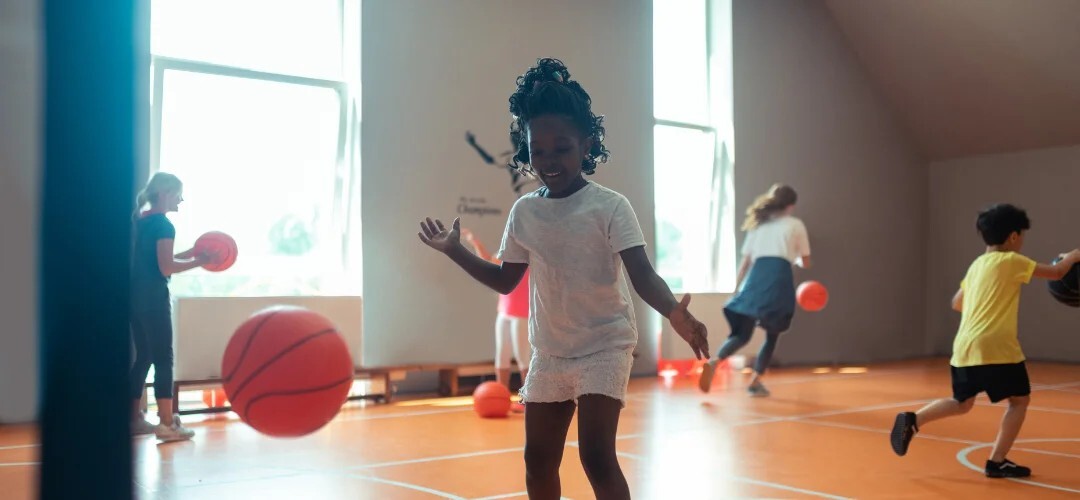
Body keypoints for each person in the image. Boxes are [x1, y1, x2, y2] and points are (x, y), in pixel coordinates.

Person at [418, 58, 708, 499]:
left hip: (604, 346)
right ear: (526, 148)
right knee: (537, 463)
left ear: (586, 144)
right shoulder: (525, 212)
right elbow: (504, 282)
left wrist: (674, 313)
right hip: (550, 351)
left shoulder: (610, 207)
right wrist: (454, 250)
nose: (549, 161)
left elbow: (643, 275)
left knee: (595, 456)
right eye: (538, 150)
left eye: (563, 148)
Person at [890, 203, 1080, 478]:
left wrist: (985, 302)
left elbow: (957, 303)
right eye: (1022, 236)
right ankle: (997, 461)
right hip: (996, 347)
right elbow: (1058, 272)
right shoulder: (1012, 261)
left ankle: (913, 420)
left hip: (965, 346)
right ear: (1014, 237)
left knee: (962, 402)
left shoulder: (977, 265)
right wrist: (1072, 256)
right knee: (1019, 401)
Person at [699, 184, 810, 397]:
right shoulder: (795, 224)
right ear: (791, 206)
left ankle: (715, 360)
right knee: (772, 336)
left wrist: (735, 290)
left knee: (742, 335)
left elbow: (746, 262)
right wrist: (793, 258)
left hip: (755, 278)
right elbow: (805, 261)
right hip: (779, 278)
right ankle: (755, 381)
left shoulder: (758, 226)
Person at [129, 172, 213, 442]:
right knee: (164, 358)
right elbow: (165, 267)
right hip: (153, 298)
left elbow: (154, 259)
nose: (182, 199)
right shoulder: (164, 225)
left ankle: (132, 420)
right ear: (165, 194)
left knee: (143, 357)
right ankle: (166, 424)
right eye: (178, 193)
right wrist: (199, 262)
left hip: (134, 298)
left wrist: (188, 255)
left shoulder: (142, 221)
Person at [461, 227, 531, 412]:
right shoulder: (505, 257)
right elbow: (486, 260)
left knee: (523, 357)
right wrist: (474, 240)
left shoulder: (532, 259)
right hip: (504, 313)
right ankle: (503, 398)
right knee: (502, 355)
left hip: (522, 315)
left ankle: (527, 399)